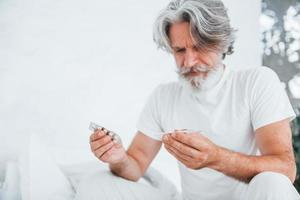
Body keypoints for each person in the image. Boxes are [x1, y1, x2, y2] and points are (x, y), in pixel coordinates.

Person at [88, 0, 300, 199]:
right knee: (97, 183)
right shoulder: (164, 97)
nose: (189, 61)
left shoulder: (256, 82)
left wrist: (216, 157)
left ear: (221, 43)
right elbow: (135, 165)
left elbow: (285, 168)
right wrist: (117, 158)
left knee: (273, 182)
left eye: (199, 47)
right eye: (179, 50)